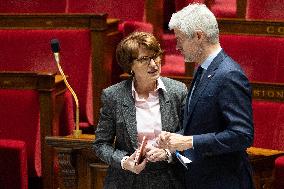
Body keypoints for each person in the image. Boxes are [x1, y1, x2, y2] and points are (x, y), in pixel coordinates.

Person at [158, 3, 255, 189]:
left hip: (224, 181)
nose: (176, 46)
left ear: (198, 36)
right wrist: (174, 139)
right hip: (201, 178)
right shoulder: (202, 69)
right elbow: (201, 125)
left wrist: (188, 141)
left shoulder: (229, 75)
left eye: (180, 39)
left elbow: (242, 135)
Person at [93, 32, 187, 189]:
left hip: (168, 178)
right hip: (127, 181)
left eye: (155, 55)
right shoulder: (113, 96)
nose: (154, 64)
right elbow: (101, 144)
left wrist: (168, 153)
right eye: (144, 59)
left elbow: (189, 134)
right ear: (130, 65)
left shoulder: (177, 91)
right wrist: (125, 161)